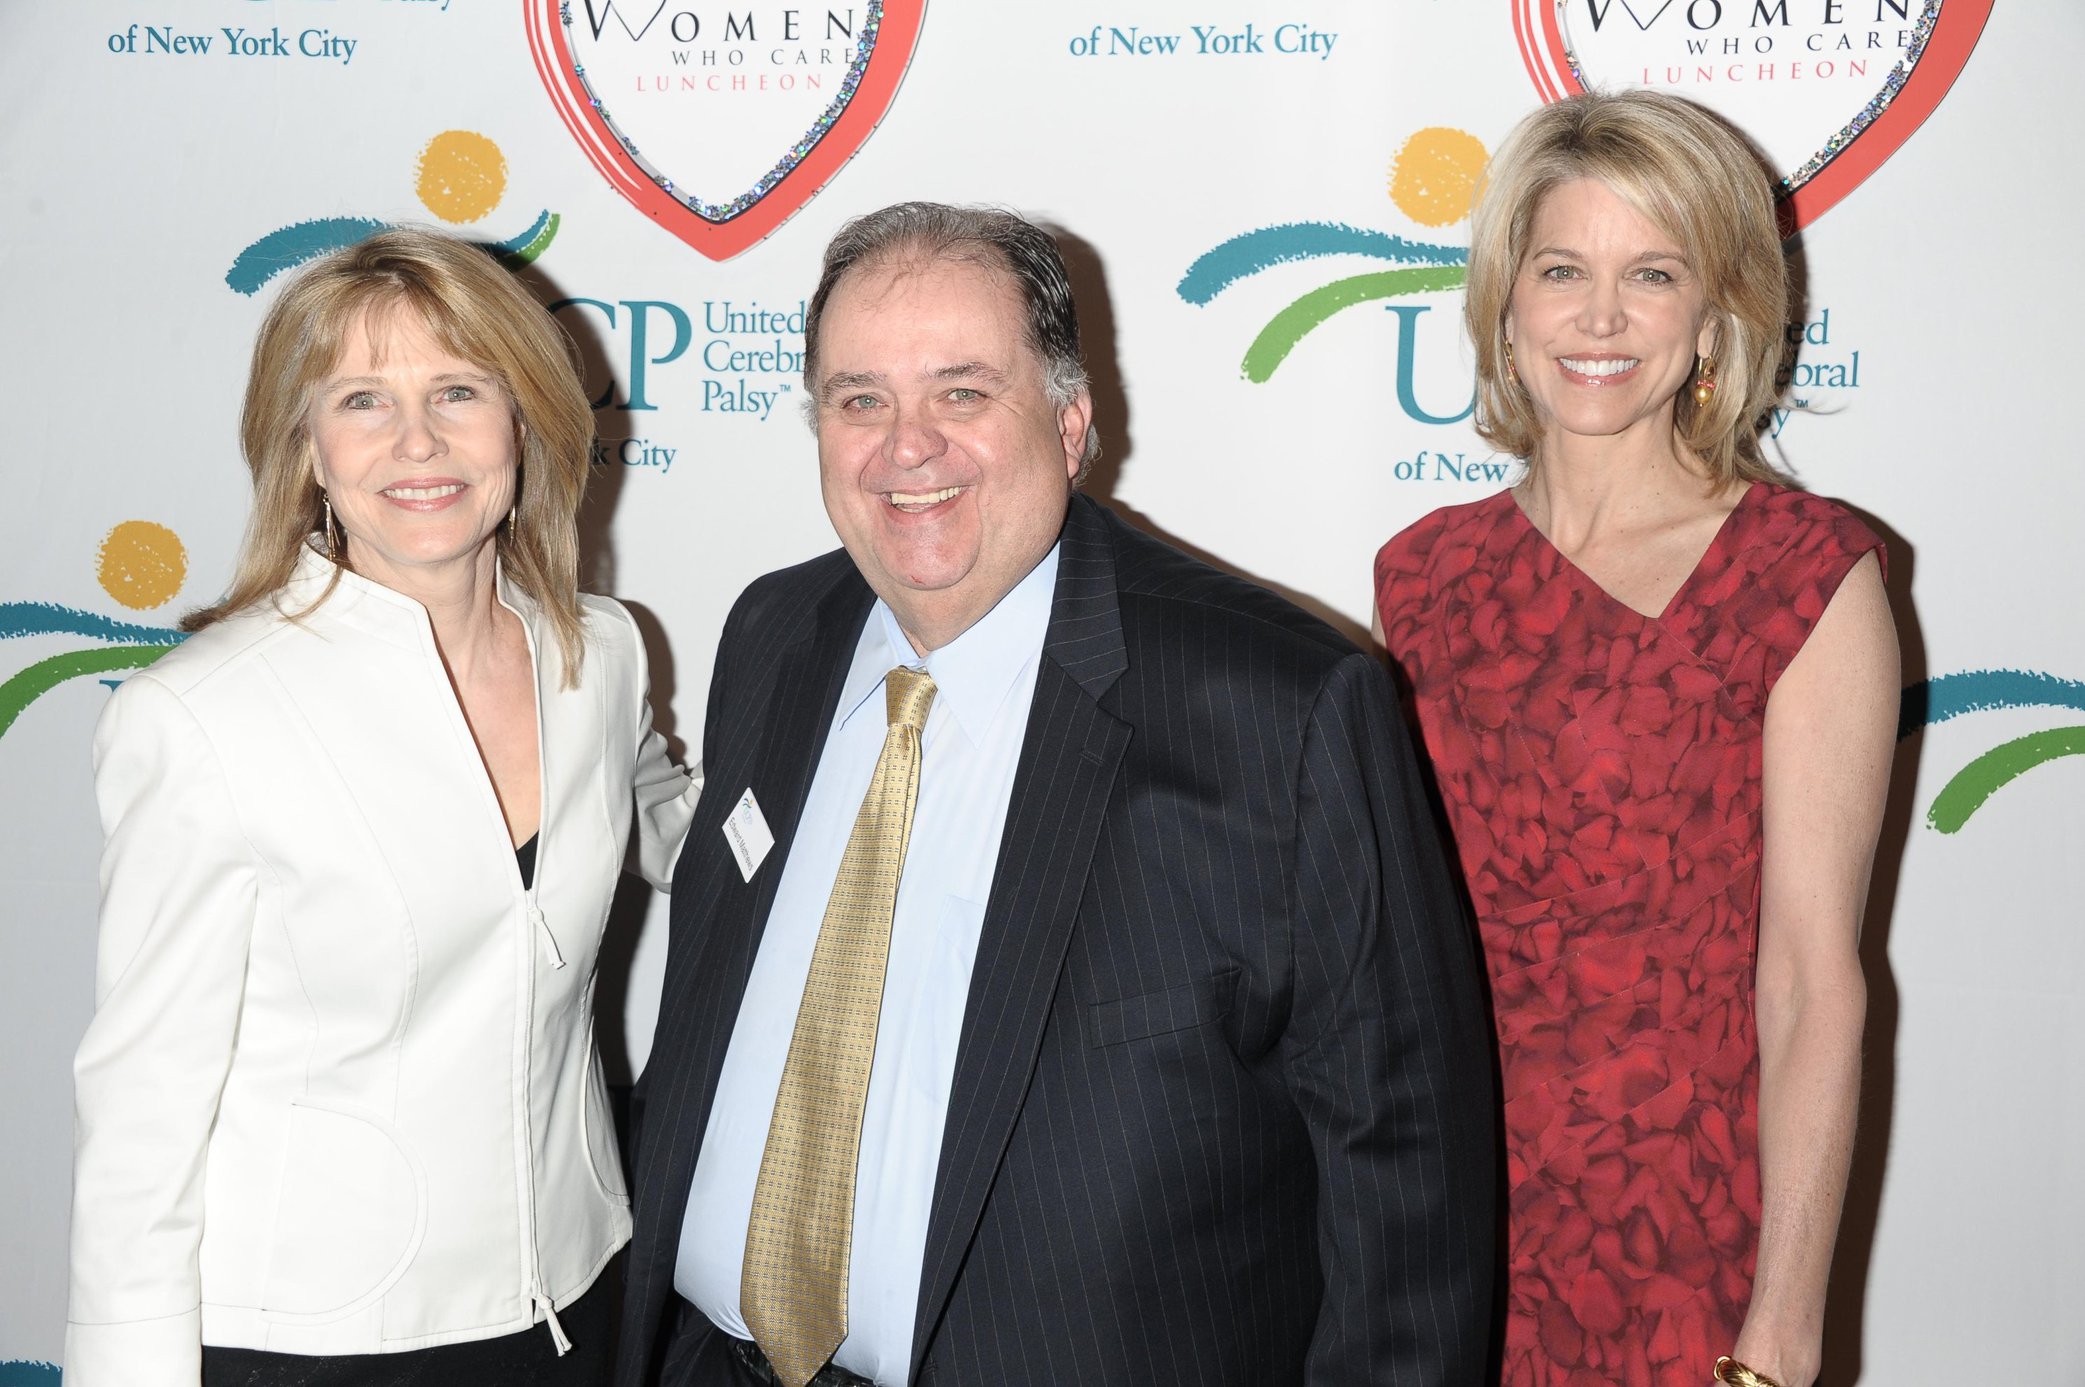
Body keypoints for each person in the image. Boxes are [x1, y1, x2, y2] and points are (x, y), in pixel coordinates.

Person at [613, 202, 1497, 1387]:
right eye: (859, 399)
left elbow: (1408, 1193)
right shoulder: (775, 631)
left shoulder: (1279, 709)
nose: (906, 447)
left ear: (1072, 424)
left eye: (963, 392)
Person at [66, 228, 702, 1387]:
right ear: (306, 446)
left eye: (459, 390)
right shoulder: (203, 716)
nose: (419, 441)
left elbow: (677, 824)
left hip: (580, 1291)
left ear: (523, 422)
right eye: (364, 399)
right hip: (321, 1339)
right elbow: (143, 1109)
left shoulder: (598, 652)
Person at [1374, 91, 1898, 1387]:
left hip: (1685, 1240)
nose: (1599, 318)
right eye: (1563, 270)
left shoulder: (1803, 574)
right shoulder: (1419, 578)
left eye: (1651, 274)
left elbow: (1811, 981)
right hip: (1443, 1222)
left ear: (1714, 315)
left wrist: (1783, 1330)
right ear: (1507, 304)